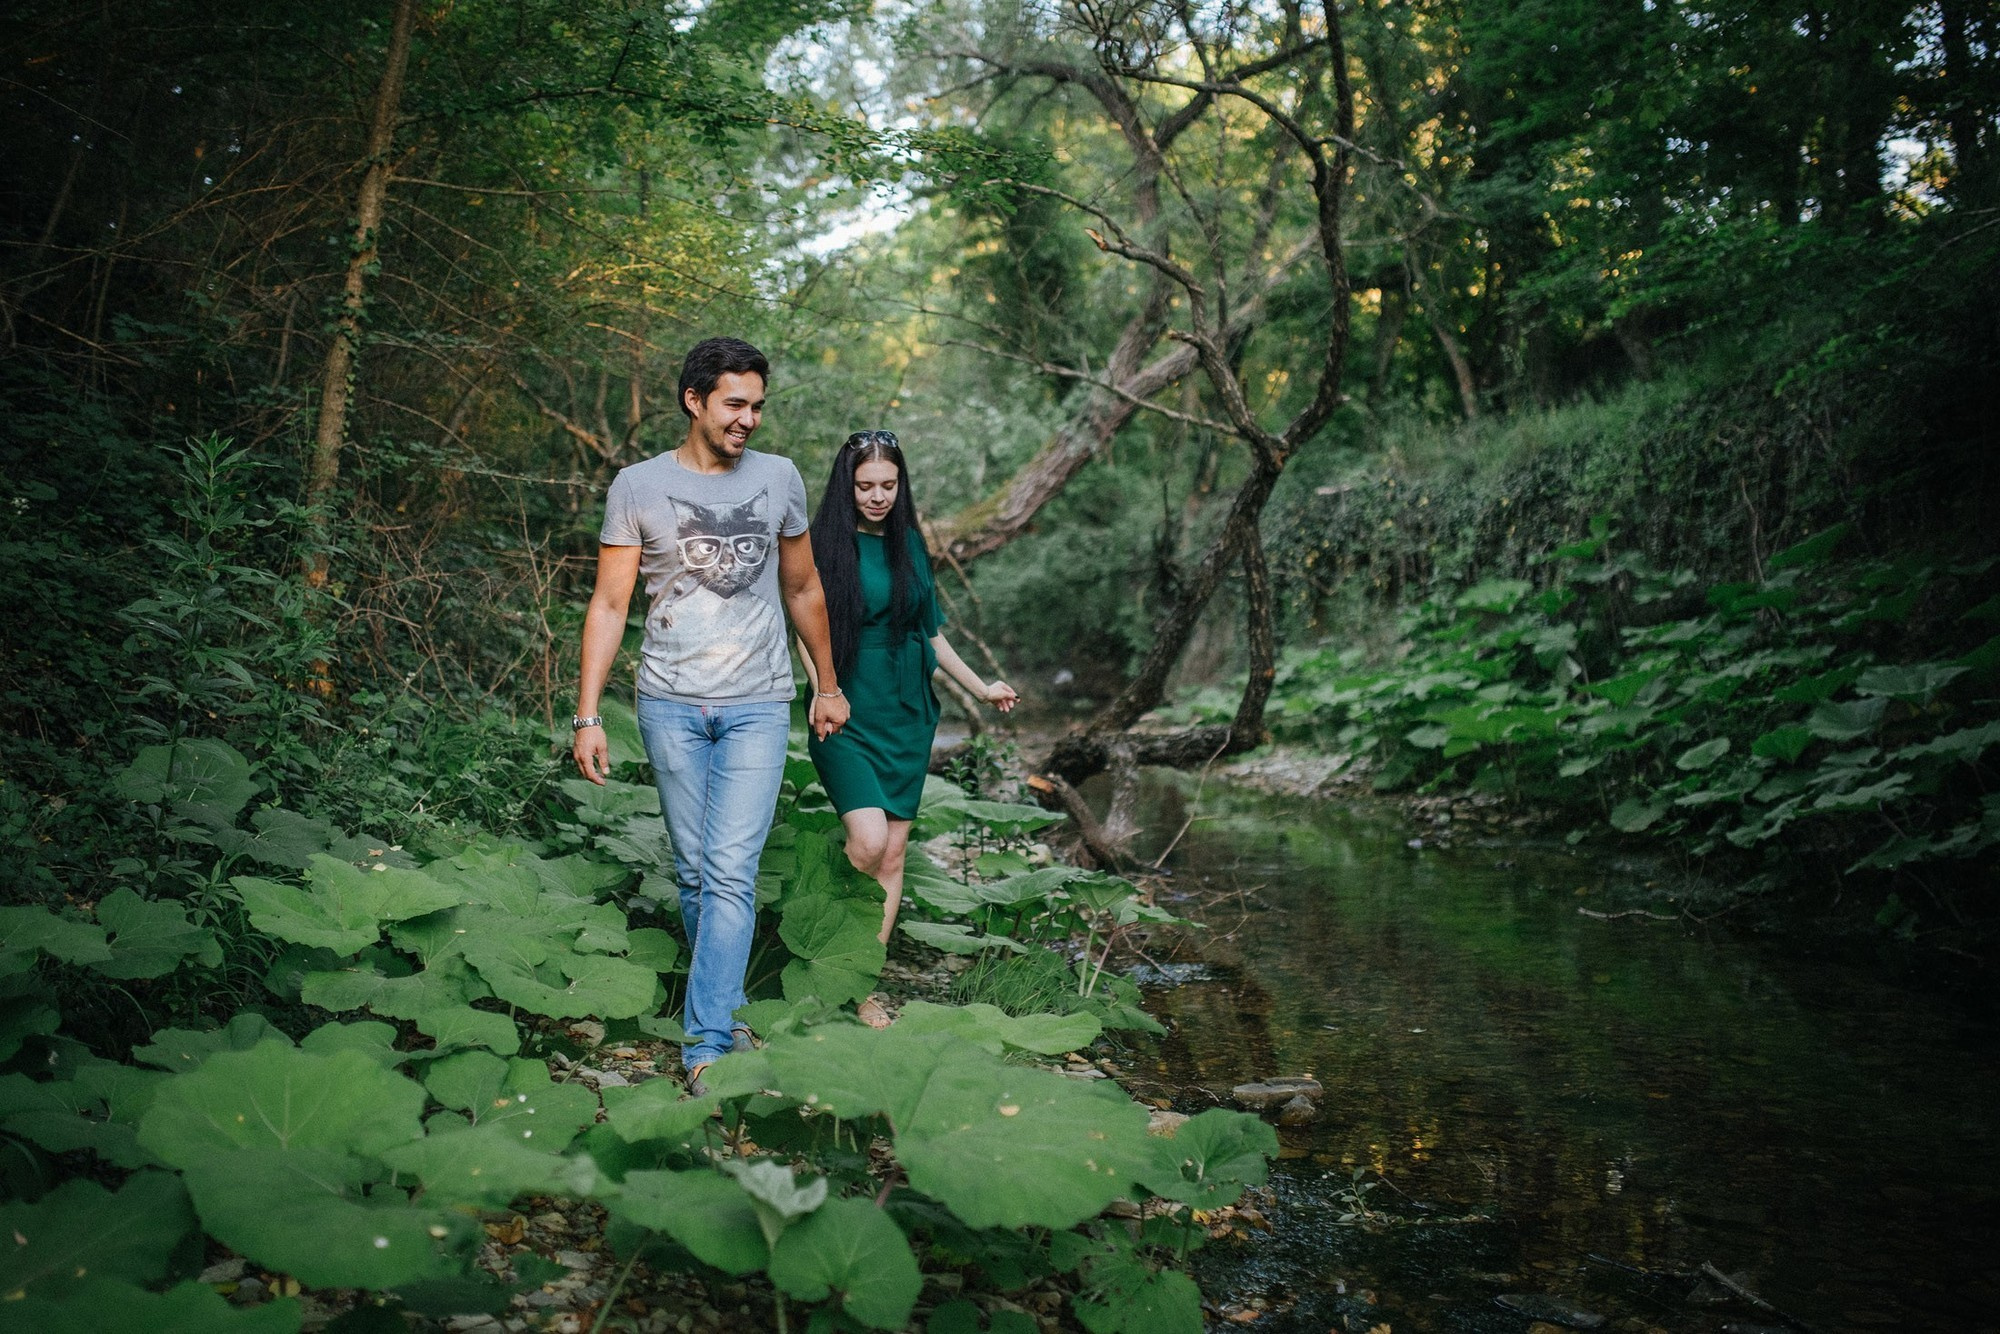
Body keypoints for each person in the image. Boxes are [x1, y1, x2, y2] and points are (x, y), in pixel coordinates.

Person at [572, 336, 849, 1095]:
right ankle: (728, 1010)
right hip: (667, 705)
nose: (749, 420)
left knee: (729, 871)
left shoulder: (781, 479)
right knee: (697, 875)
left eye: (758, 406)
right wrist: (587, 714)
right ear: (694, 400)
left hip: (759, 702)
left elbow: (802, 589)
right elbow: (609, 603)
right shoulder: (637, 486)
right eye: (736, 404)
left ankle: (707, 1049)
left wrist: (826, 681)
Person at [801, 430, 1017, 1024]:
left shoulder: (911, 546)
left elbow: (930, 633)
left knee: (893, 855)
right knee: (867, 841)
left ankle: (861, 985)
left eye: (888, 486)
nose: (877, 496)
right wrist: (824, 689)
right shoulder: (821, 544)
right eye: (865, 485)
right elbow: (802, 621)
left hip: (907, 711)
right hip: (843, 705)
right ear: (846, 486)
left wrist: (982, 685)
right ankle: (818, 955)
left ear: (902, 486)